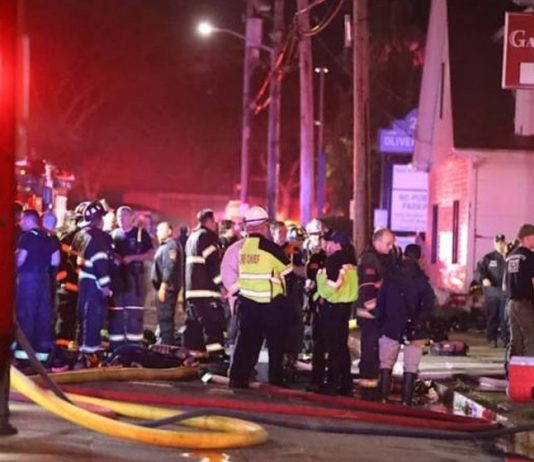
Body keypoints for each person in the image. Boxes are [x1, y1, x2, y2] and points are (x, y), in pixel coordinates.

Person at [228, 206, 292, 388]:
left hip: (248, 304)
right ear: (264, 225)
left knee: (246, 343)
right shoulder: (271, 249)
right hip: (270, 305)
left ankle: (237, 378)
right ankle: (276, 382)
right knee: (276, 346)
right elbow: (287, 270)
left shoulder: (244, 248)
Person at [376, 244, 435, 405]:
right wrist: (420, 322)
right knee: (411, 366)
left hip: (391, 324)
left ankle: (383, 399)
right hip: (415, 328)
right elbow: (429, 304)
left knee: (386, 363)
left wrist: (380, 322)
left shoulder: (391, 275)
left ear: (404, 256)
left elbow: (381, 301)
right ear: (420, 259)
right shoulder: (422, 279)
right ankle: (406, 402)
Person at [312, 230, 358, 396]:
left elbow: (329, 288)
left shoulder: (334, 260)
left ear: (337, 244)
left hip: (331, 307)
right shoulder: (352, 261)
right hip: (345, 308)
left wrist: (319, 290)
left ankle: (331, 384)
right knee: (341, 347)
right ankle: (346, 384)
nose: (327, 246)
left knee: (332, 348)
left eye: (330, 243)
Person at [356, 227, 396, 401]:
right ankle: (368, 393)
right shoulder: (369, 260)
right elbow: (367, 291)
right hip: (370, 315)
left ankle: (376, 390)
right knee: (370, 355)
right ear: (377, 242)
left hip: (379, 314)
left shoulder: (384, 258)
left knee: (378, 354)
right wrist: (377, 311)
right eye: (388, 243)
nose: (391, 247)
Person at [14, 209, 60, 363]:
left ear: (29, 220)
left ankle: (24, 354)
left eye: (22, 220)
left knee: (26, 314)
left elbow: (20, 259)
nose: (20, 223)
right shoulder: (49, 238)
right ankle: (42, 353)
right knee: (43, 315)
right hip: (44, 280)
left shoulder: (26, 237)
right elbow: (55, 260)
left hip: (28, 280)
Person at [74, 201, 113, 366]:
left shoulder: (81, 235)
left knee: (83, 318)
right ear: (99, 220)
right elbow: (100, 261)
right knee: (93, 319)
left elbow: (73, 259)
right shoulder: (98, 237)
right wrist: (105, 285)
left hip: (83, 282)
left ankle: (82, 352)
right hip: (95, 284)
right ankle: (90, 356)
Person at [110, 206, 154, 349]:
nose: (121, 219)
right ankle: (116, 348)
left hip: (135, 280)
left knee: (134, 315)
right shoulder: (113, 235)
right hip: (117, 280)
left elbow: (151, 254)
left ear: (131, 218)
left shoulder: (141, 234)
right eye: (118, 217)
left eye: (124, 216)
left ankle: (134, 348)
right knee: (116, 315)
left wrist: (132, 258)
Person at [183, 209, 225, 353]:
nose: (216, 224)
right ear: (209, 221)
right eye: (214, 221)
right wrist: (221, 285)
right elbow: (212, 264)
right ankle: (216, 354)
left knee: (194, 326)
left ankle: (194, 355)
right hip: (206, 290)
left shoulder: (192, 237)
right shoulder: (207, 237)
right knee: (212, 324)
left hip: (192, 291)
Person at [503, 224, 534, 359]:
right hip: (525, 303)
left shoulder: (510, 256)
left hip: (511, 303)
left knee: (516, 338)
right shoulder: (529, 256)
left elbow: (505, 283)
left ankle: (513, 367)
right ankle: (529, 368)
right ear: (527, 238)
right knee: (531, 336)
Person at [151, 222, 182, 345]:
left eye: (160, 230)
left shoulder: (171, 246)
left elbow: (169, 266)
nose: (157, 233)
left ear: (169, 231)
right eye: (157, 230)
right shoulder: (165, 246)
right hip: (162, 287)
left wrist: (164, 286)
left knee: (165, 319)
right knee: (163, 319)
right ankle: (164, 342)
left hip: (167, 289)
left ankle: (166, 346)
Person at [476, 234, 507, 348]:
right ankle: (492, 339)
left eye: (502, 242)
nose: (500, 245)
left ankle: (504, 339)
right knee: (492, 317)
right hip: (492, 294)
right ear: (494, 244)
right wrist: (484, 279)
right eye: (498, 243)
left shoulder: (508, 257)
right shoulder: (488, 258)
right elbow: (480, 271)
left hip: (505, 294)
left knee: (505, 318)